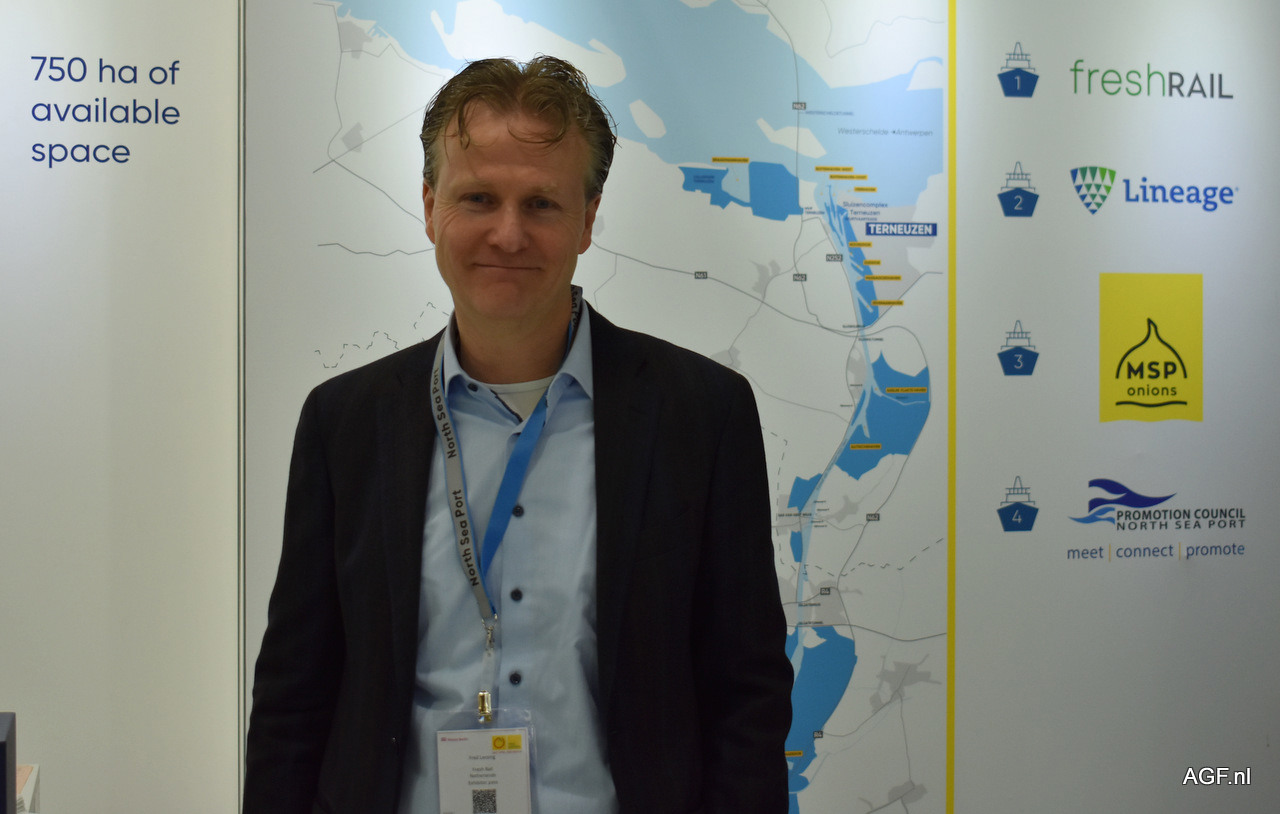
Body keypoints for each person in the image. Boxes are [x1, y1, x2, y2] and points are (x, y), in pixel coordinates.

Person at [243, 55, 792, 814]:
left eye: (541, 203)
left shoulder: (701, 415)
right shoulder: (346, 422)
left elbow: (746, 695)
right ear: (430, 206)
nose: (508, 234)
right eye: (478, 198)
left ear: (588, 220)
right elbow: (293, 697)